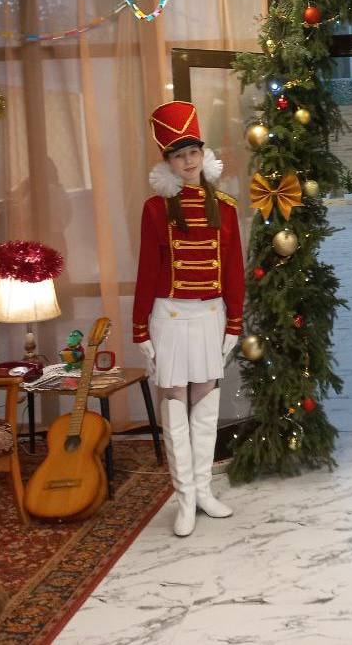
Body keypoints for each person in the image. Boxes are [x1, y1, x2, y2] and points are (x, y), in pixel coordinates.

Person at [133, 101, 245, 537]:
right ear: (168, 162)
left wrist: (234, 322)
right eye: (179, 155)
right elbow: (146, 269)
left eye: (193, 152)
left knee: (206, 401)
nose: (188, 161)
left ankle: (203, 491)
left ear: (203, 153)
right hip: (171, 316)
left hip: (211, 316)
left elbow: (233, 270)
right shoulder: (155, 209)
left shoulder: (226, 207)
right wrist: (140, 326)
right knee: (174, 402)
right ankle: (182, 499)